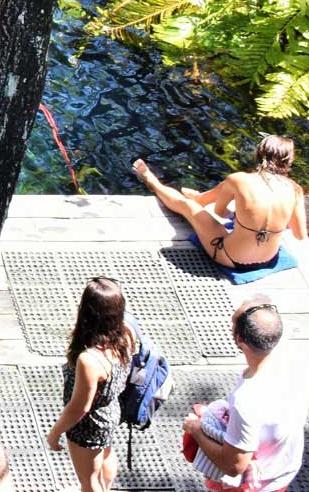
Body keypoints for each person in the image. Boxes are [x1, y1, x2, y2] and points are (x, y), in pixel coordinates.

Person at [183, 295, 306, 491]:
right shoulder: (293, 358)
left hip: (260, 483)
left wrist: (196, 430)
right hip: (284, 468)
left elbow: (234, 466)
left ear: (239, 339)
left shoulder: (247, 399)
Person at [134, 135, 306, 273]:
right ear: (288, 162)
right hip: (269, 259)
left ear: (258, 155)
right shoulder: (295, 189)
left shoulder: (239, 180)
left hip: (230, 257)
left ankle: (152, 180)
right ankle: (198, 196)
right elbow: (299, 235)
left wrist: (236, 215)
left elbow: (219, 211)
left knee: (189, 207)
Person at [46, 277, 136, 492]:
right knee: (105, 454)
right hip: (111, 411)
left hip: (89, 425)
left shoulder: (89, 360)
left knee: (89, 480)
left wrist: (55, 432)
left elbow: (79, 408)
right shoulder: (127, 333)